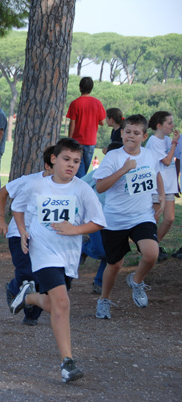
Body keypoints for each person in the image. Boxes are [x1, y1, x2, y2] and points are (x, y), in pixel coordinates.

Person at [10, 138, 106, 383]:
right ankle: (67, 362)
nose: (71, 165)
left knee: (58, 306)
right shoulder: (36, 185)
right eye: (66, 159)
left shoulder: (82, 189)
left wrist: (75, 230)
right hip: (42, 251)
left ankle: (29, 296)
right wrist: (23, 231)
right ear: (54, 159)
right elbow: (18, 207)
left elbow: (98, 222)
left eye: (76, 161)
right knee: (62, 302)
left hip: (68, 256)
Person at [93, 114, 164, 319]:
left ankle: (136, 280)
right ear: (122, 133)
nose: (130, 136)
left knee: (151, 253)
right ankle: (104, 300)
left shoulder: (150, 155)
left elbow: (156, 174)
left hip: (142, 215)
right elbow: (100, 186)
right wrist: (123, 170)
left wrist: (159, 199)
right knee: (114, 265)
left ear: (144, 135)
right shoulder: (114, 157)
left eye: (136, 133)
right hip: (116, 218)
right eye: (127, 132)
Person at [0, 145, 55, 326]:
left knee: (42, 277)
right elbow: (4, 192)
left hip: (48, 237)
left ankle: (31, 315)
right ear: (47, 165)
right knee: (27, 273)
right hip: (19, 232)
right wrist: (0, 218)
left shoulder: (69, 186)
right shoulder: (29, 181)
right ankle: (14, 287)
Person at [80, 142, 123, 295]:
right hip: (94, 219)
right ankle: (84, 247)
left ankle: (99, 282)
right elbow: (80, 185)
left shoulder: (125, 174)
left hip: (114, 220)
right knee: (101, 251)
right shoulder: (98, 173)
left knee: (111, 253)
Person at [145, 111, 180, 262]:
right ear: (159, 125)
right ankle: (150, 249)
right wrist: (174, 143)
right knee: (155, 218)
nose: (172, 126)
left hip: (170, 185)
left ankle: (154, 245)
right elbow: (166, 161)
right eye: (169, 123)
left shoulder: (167, 139)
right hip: (158, 187)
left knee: (170, 219)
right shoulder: (153, 141)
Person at [66, 77, 106, 177]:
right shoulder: (97, 103)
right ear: (91, 88)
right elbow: (102, 122)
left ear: (80, 88)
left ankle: (79, 188)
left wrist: (69, 138)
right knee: (84, 169)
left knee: (78, 169)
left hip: (76, 141)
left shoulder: (75, 103)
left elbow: (72, 123)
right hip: (90, 142)